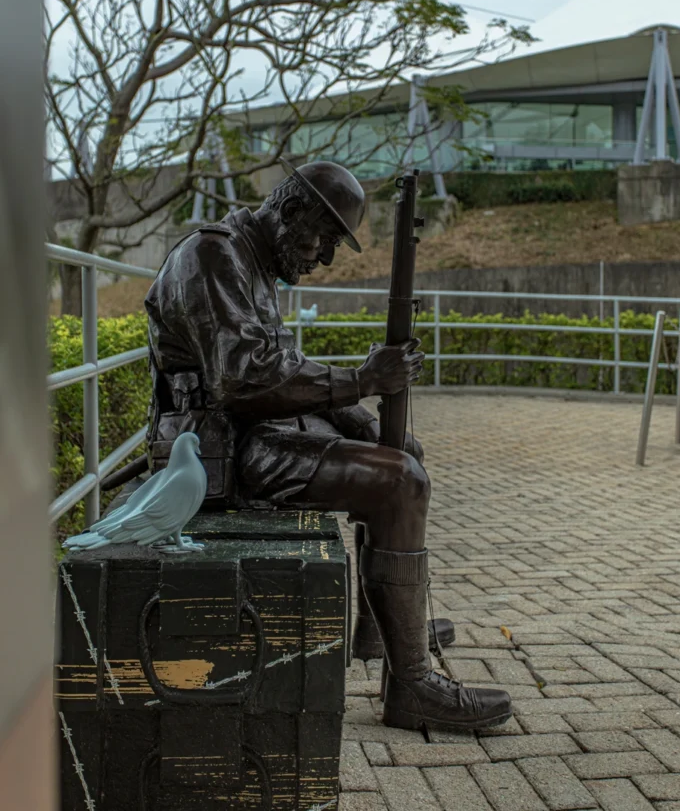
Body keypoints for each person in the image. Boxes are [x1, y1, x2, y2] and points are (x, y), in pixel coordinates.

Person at [144, 160, 512, 732]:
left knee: (400, 453)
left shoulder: (253, 260)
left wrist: (361, 418)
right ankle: (411, 687)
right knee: (400, 483)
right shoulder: (213, 257)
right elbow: (243, 379)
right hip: (217, 452)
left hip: (247, 434)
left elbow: (283, 367)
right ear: (292, 212)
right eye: (327, 238)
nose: (327, 258)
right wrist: (362, 380)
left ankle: (382, 628)